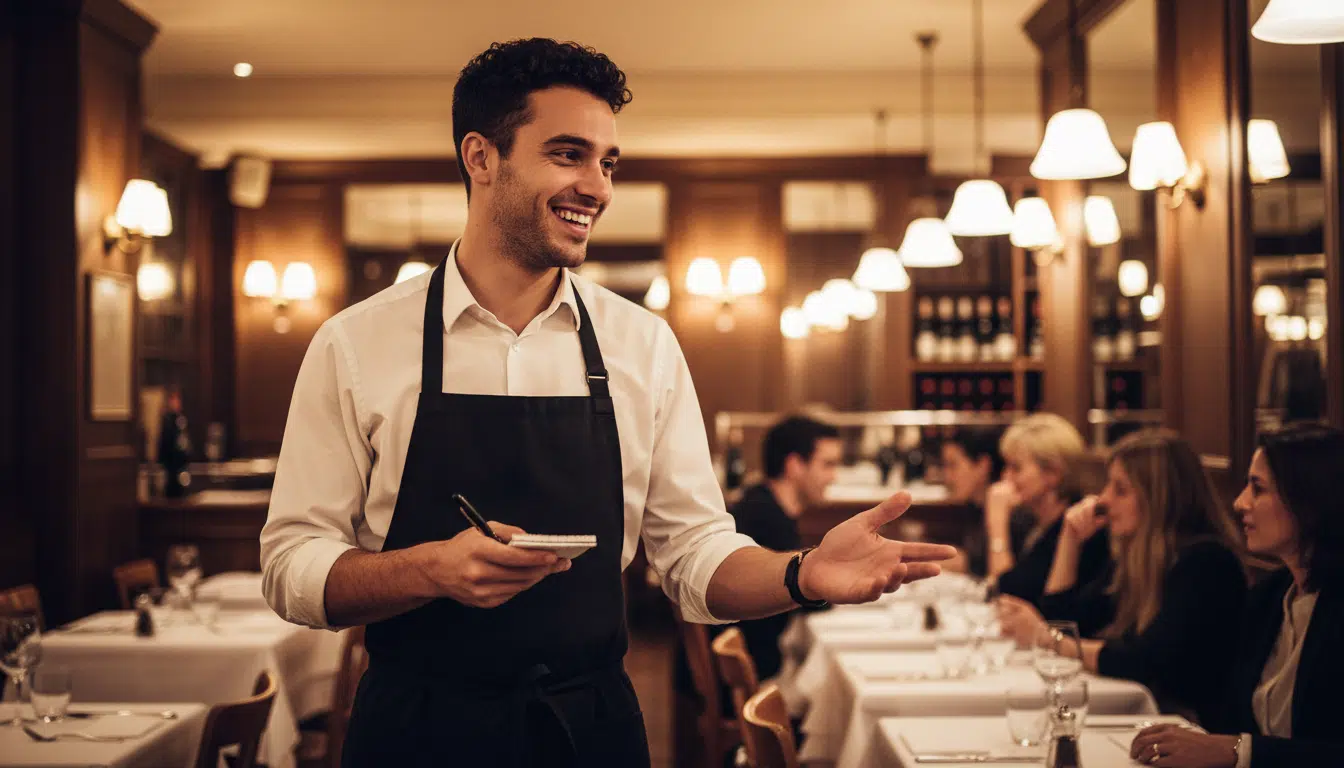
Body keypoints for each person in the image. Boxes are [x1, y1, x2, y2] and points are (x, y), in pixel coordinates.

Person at [258, 38, 956, 768]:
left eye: (608, 161)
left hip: (591, 731)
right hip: (415, 731)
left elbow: (693, 553)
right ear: (480, 157)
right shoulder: (355, 345)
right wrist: (426, 569)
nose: (598, 186)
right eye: (568, 154)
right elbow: (291, 566)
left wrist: (800, 572)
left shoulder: (642, 346)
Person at [998, 429, 1248, 725]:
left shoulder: (1205, 562)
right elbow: (1064, 622)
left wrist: (1048, 640)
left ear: (1158, 497)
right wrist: (1070, 539)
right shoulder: (1135, 559)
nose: (1103, 498)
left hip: (1200, 732)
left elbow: (1144, 662)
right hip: (1156, 722)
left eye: (1120, 489)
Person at [1129, 424, 1344, 768]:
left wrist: (1239, 751)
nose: (1239, 502)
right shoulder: (1269, 598)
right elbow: (1229, 719)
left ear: (1309, 500)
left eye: (1257, 489)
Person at [727, 415, 842, 680]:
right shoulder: (765, 518)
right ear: (794, 466)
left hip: (759, 661)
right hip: (758, 673)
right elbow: (807, 595)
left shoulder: (762, 504)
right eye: (827, 465)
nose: (833, 477)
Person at [989, 413, 1110, 605]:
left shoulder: (1078, 525)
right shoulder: (1032, 521)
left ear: (1053, 473)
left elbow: (1006, 595)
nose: (1006, 477)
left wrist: (996, 521)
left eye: (1016, 468)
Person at [939, 426, 1033, 577]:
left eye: (953, 465)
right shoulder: (975, 504)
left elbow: (1003, 582)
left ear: (983, 466)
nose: (947, 477)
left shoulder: (1016, 512)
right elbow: (974, 561)